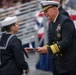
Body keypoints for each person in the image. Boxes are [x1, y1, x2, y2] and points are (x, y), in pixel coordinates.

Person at [36, 1, 76, 75]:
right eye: (43, 11)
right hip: (57, 63)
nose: (44, 13)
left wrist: (48, 49)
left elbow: (65, 42)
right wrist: (43, 48)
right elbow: (52, 41)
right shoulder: (52, 23)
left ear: (54, 8)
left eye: (46, 10)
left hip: (68, 64)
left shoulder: (65, 21)